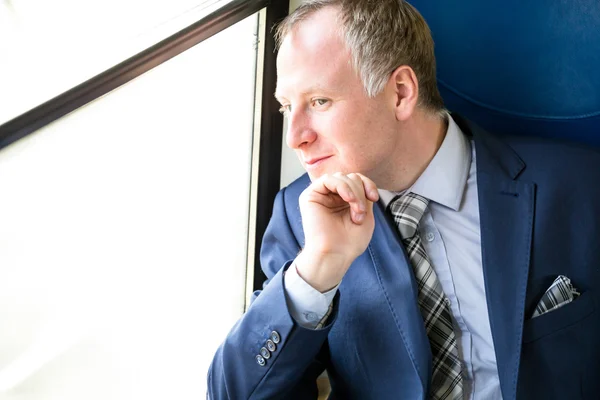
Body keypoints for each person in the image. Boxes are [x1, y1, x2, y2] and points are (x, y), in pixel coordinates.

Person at [207, 0, 600, 399]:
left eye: (319, 101)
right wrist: (317, 271)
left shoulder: (580, 186)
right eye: (287, 106)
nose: (295, 137)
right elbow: (230, 393)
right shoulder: (299, 218)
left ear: (400, 92)